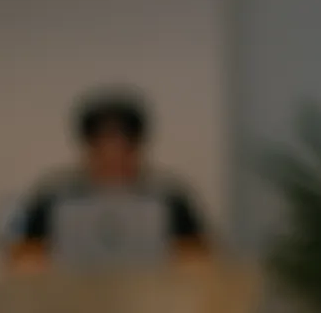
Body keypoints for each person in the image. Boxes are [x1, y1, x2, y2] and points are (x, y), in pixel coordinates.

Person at [12, 90, 209, 271]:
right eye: (103, 149)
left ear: (137, 149)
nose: (113, 158)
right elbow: (21, 260)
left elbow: (201, 260)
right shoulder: (53, 197)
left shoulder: (170, 198)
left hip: (152, 295)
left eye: (123, 149)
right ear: (88, 149)